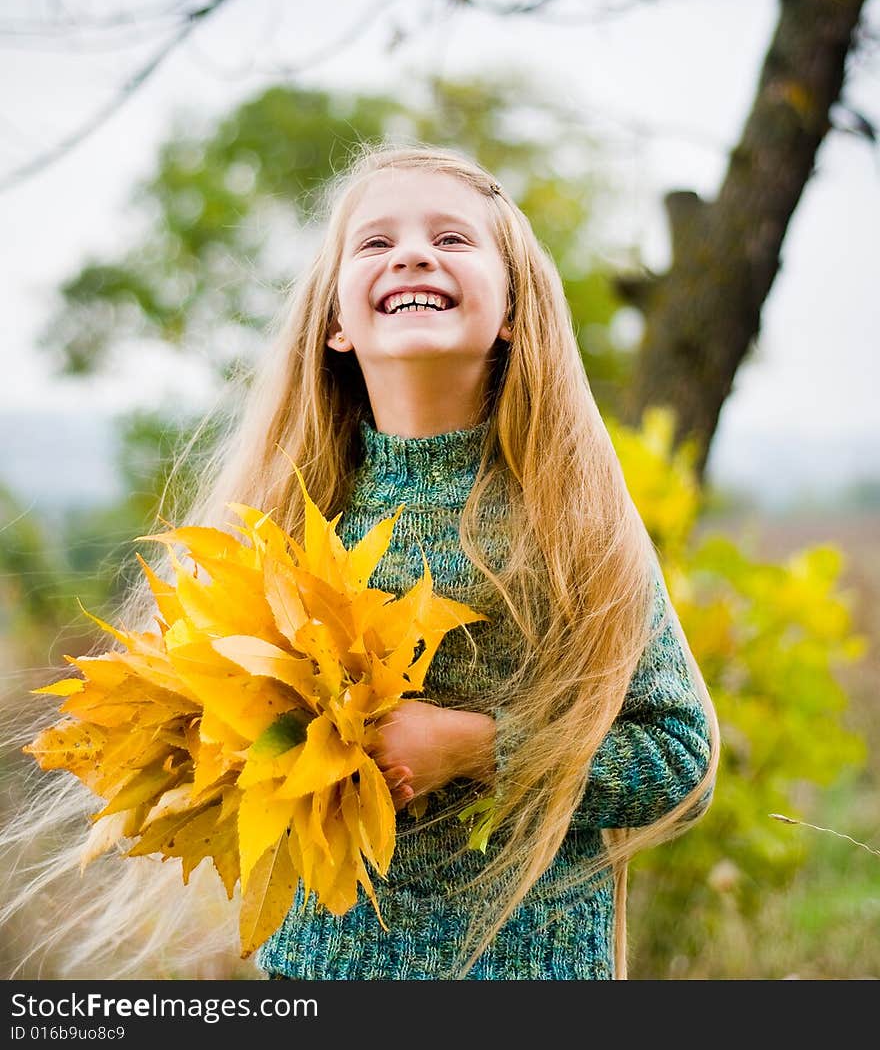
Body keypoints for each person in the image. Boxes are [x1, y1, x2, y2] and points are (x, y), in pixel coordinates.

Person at [2, 140, 718, 982]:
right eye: (375, 243)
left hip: (532, 967)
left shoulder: (573, 521)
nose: (413, 252)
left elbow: (679, 756)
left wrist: (473, 746)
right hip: (321, 966)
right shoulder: (282, 515)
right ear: (336, 322)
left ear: (516, 308)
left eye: (453, 240)